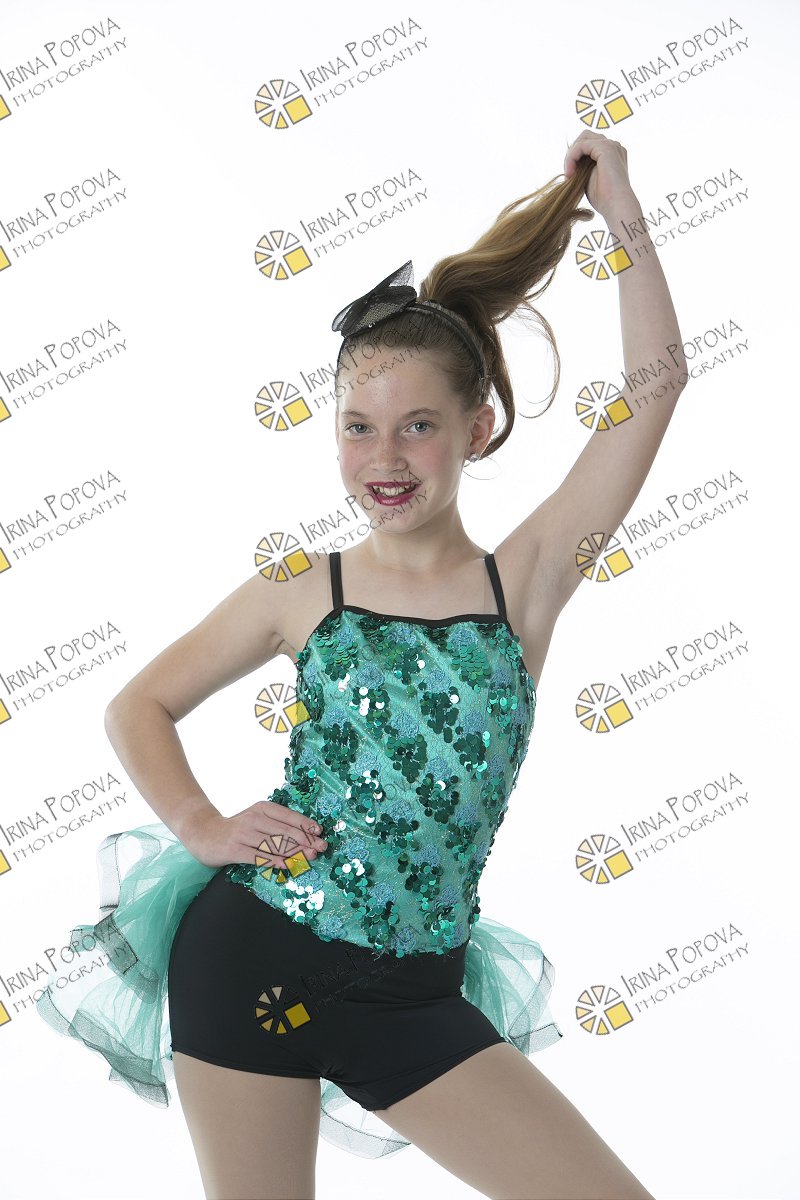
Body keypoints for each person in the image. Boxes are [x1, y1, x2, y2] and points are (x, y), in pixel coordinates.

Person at [36, 130, 680, 1199]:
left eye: (418, 426)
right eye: (358, 428)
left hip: (414, 995)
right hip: (253, 958)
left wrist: (620, 210)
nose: (385, 458)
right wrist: (201, 826)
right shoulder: (303, 588)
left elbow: (655, 389)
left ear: (478, 427)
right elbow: (139, 703)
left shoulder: (520, 588)